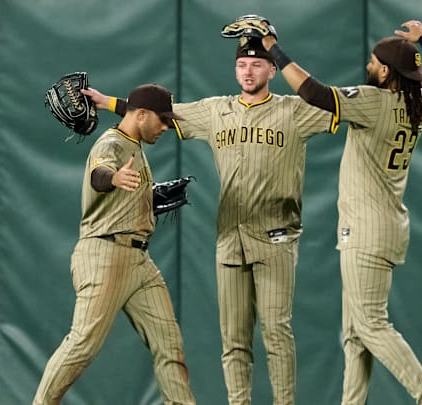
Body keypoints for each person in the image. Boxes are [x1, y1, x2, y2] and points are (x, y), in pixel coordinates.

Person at [83, 38, 339, 405]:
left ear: (271, 70)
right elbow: (161, 114)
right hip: (231, 237)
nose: (247, 71)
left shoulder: (296, 110)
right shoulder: (217, 110)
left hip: (277, 237)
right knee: (234, 340)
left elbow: (335, 106)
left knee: (276, 333)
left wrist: (281, 51)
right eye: (241, 65)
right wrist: (108, 102)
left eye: (257, 64)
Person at [258, 20, 422, 405]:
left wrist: (273, 50)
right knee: (354, 335)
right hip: (388, 225)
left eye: (373, 61)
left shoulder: (374, 100)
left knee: (371, 324)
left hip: (365, 230)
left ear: (385, 71)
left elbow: (314, 93)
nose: (368, 65)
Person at [33, 84, 196, 405]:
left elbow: (134, 114)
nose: (166, 126)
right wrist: (114, 179)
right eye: (162, 120)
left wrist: (149, 198)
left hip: (139, 262)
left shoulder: (134, 140)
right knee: (82, 345)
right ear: (143, 116)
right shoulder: (112, 143)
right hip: (105, 255)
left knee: (169, 344)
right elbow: (99, 173)